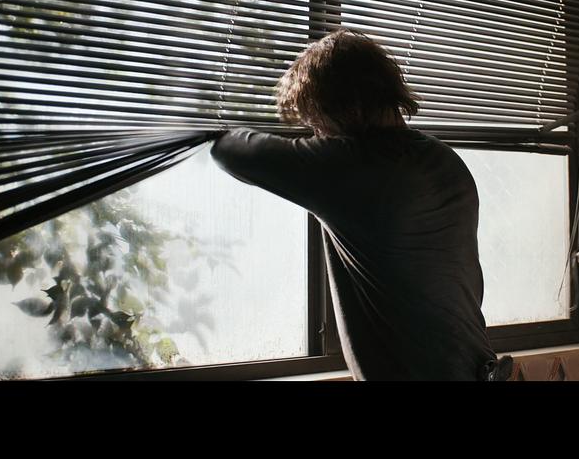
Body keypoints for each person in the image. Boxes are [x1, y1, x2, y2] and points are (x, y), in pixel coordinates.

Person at [210, 29, 512, 381]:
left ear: (337, 107)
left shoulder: (353, 168)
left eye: (314, 120)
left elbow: (229, 150)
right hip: (477, 366)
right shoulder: (445, 159)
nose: (315, 133)